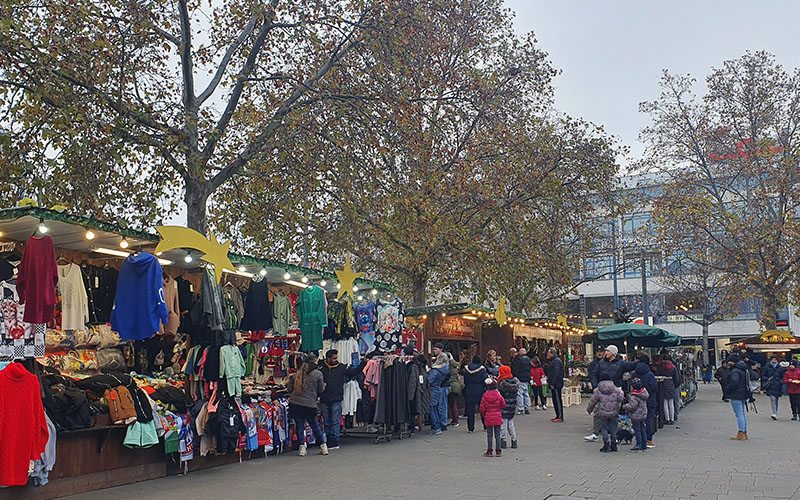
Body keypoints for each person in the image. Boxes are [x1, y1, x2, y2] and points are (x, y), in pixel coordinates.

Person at [318, 349, 366, 450]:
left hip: (336, 398)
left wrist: (363, 363)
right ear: (328, 358)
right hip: (324, 399)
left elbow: (354, 372)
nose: (336, 360)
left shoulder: (341, 367)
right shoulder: (321, 368)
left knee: (335, 421)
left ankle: (335, 441)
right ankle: (328, 440)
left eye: (336, 358)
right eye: (334, 358)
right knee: (326, 421)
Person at [287, 354, 328, 456]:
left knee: (300, 426)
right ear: (315, 362)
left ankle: (302, 448)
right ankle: (323, 447)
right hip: (310, 404)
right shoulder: (318, 374)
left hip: (295, 403)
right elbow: (320, 390)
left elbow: (289, 388)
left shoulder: (298, 373)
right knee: (315, 426)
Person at [586, 374, 624, 453]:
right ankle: (614, 444)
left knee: (604, 428)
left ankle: (606, 444)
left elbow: (592, 401)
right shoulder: (616, 389)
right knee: (613, 428)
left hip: (602, 413)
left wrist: (589, 409)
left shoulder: (598, 390)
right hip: (614, 412)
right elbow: (621, 398)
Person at [634, 354, 659, 449]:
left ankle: (639, 440)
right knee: (649, 419)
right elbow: (654, 387)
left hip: (636, 400)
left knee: (637, 420)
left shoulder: (634, 373)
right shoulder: (650, 374)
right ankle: (648, 439)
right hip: (649, 399)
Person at [726, 353, 751, 441]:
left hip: (736, 394)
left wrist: (728, 388)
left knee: (739, 414)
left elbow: (734, 381)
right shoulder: (744, 369)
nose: (729, 363)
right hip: (743, 394)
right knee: (742, 414)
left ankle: (741, 433)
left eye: (730, 361)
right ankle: (744, 432)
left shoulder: (735, 371)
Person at [479, 378, 505, 457]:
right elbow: (503, 404)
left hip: (488, 416)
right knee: (497, 434)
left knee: (489, 434)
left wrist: (484, 414)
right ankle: (498, 451)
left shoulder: (485, 395)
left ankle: (489, 451)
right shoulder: (498, 395)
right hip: (497, 415)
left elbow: (482, 408)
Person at [427, 345, 450, 435]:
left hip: (434, 389)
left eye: (436, 349)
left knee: (433, 408)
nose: (434, 351)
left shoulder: (436, 370)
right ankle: (440, 424)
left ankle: (436, 427)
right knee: (439, 406)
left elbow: (430, 380)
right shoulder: (445, 369)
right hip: (438, 387)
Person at [585, 346, 606, 442]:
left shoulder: (607, 362)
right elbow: (591, 375)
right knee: (597, 410)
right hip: (598, 388)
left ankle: (604, 429)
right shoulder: (594, 364)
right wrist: (594, 386)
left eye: (601, 351)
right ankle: (596, 431)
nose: (599, 353)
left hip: (607, 388)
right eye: (598, 351)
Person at [623, 377, 649, 452]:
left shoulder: (633, 396)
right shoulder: (644, 393)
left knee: (637, 430)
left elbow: (633, 406)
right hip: (643, 414)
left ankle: (639, 444)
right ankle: (644, 444)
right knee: (643, 429)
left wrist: (625, 406)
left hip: (636, 415)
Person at [461, 355, 487, 433]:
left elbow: (465, 380)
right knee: (482, 409)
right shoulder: (482, 369)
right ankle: (485, 426)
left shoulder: (467, 369)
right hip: (479, 389)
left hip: (469, 389)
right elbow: (484, 380)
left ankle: (471, 428)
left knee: (470, 410)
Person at [654, 352, 680, 425]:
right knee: (671, 402)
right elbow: (676, 378)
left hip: (663, 385)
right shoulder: (673, 367)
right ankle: (672, 419)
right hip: (671, 385)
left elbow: (657, 373)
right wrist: (675, 385)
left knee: (664, 402)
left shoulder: (660, 366)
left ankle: (667, 418)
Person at [497, 365, 519, 449]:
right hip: (512, 405)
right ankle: (514, 440)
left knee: (503, 424)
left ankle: (503, 441)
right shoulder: (514, 382)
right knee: (511, 423)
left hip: (504, 405)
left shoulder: (502, 383)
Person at [408, 354, 430, 432]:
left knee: (413, 408)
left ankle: (412, 425)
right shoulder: (423, 367)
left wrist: (410, 395)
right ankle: (420, 424)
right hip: (422, 391)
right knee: (419, 408)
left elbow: (412, 381)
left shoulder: (414, 366)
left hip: (416, 392)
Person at [762, 354, 784, 420]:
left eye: (775, 359)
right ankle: (774, 413)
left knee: (776, 399)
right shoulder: (767, 366)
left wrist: (780, 382)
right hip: (770, 385)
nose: (774, 361)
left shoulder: (780, 367)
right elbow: (763, 375)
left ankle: (776, 412)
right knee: (773, 399)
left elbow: (782, 376)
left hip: (777, 385)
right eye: (773, 359)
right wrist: (767, 379)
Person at [511, 347, 532, 414]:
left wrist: (515, 376)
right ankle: (527, 408)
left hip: (520, 378)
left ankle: (521, 408)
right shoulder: (528, 359)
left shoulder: (519, 359)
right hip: (526, 378)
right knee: (526, 393)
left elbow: (516, 369)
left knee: (520, 393)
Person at [546, 347, 564, 422]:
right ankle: (557, 415)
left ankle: (560, 416)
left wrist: (553, 383)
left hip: (556, 384)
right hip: (554, 382)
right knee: (555, 399)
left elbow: (556, 373)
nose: (547, 354)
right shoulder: (553, 361)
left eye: (548, 353)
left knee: (557, 399)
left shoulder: (556, 361)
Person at [447, 352, 463, 427]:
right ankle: (455, 420)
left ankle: (455, 420)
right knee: (453, 403)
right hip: (456, 385)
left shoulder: (449, 366)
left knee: (452, 403)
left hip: (452, 386)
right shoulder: (455, 365)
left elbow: (450, 378)